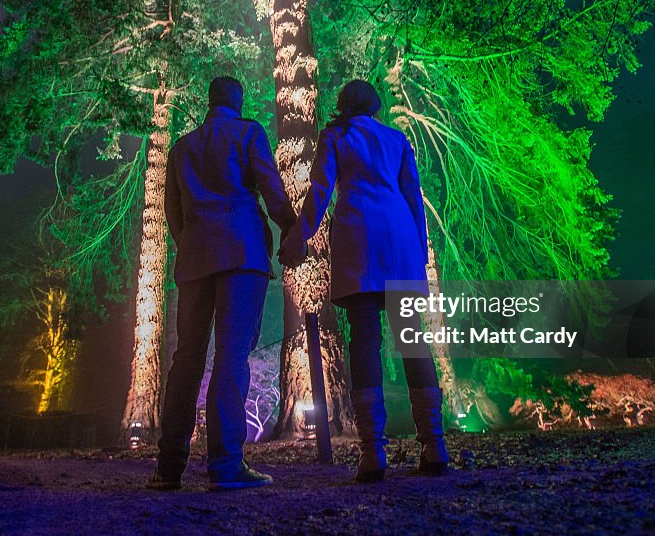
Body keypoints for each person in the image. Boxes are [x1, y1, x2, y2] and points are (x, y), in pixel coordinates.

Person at [278, 79, 449, 482]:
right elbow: (413, 197)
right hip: (401, 239)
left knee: (365, 339)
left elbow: (320, 192)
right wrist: (418, 250)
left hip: (359, 238)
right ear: (375, 105)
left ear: (343, 104)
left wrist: (298, 237)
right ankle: (435, 443)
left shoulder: (336, 135)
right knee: (411, 339)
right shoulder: (395, 138)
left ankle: (373, 450)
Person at [147, 76, 296, 491]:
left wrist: (191, 242)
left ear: (209, 102)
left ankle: (169, 467)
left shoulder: (181, 148)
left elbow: (171, 211)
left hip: (195, 258)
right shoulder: (249, 133)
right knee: (232, 356)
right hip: (242, 253)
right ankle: (226, 465)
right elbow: (270, 188)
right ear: (239, 101)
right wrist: (292, 229)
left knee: (186, 359)